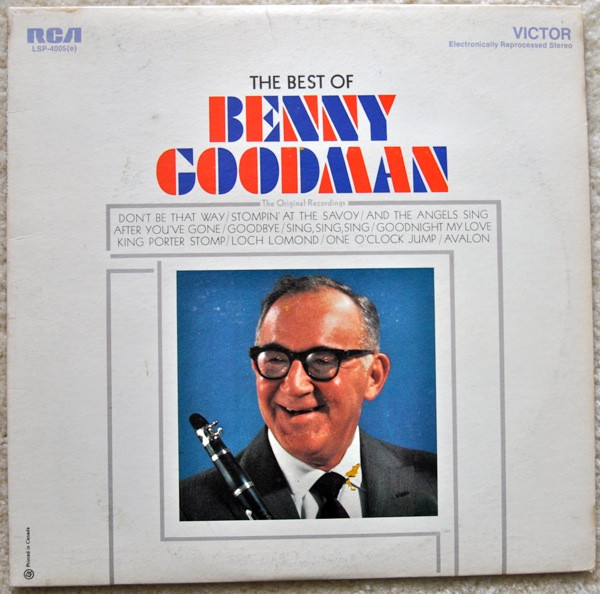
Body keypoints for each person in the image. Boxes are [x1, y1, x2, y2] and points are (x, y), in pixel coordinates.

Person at [180, 274, 437, 520]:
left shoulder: (439, 482)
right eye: (275, 360)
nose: (294, 386)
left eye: (323, 361)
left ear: (373, 377)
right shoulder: (185, 509)